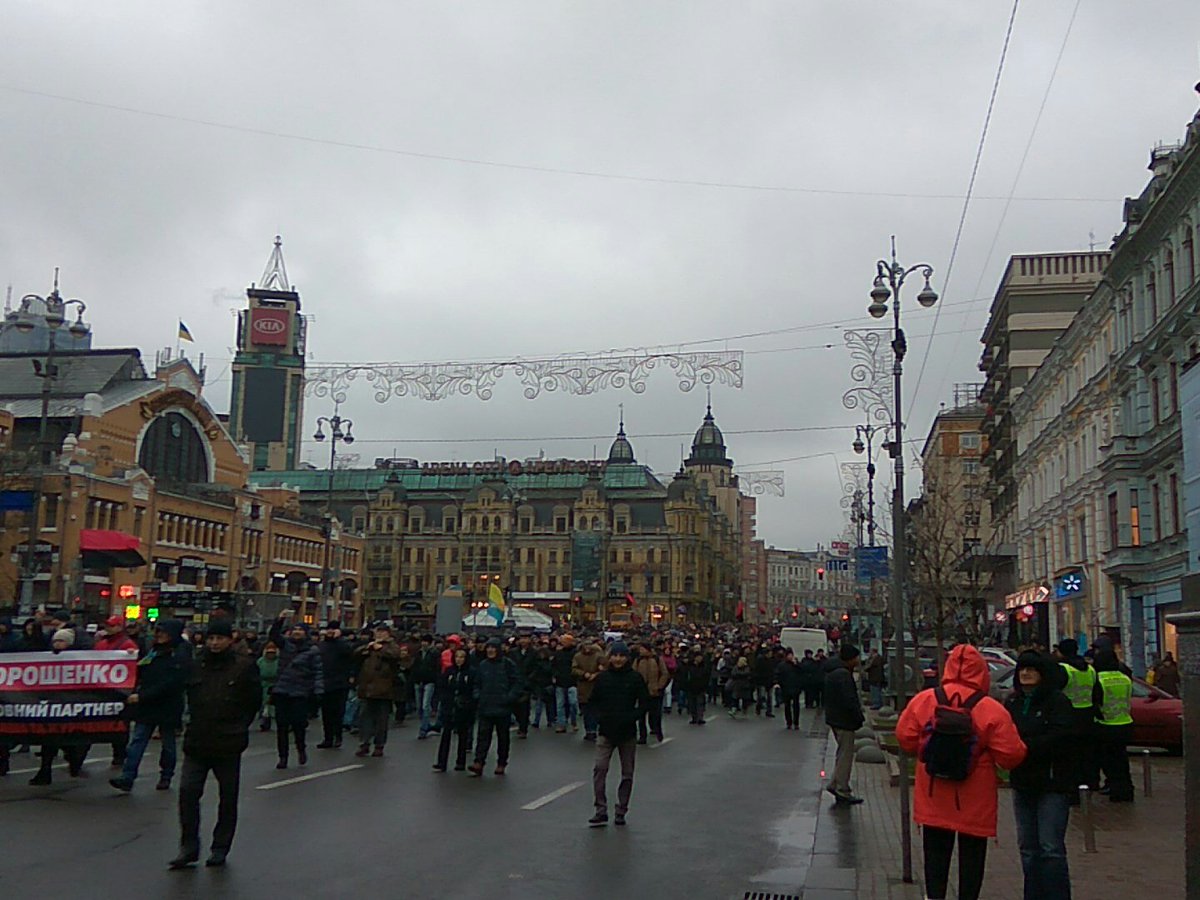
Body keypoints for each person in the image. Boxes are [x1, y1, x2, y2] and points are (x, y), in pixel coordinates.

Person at [896, 645, 1027, 900]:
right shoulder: (990, 708)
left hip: (933, 794)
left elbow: (905, 738)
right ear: (981, 671)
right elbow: (1012, 755)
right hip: (975, 799)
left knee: (935, 856)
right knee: (972, 859)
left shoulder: (926, 699)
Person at [171, 619, 261, 869]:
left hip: (228, 742)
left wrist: (239, 726)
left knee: (227, 798)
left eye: (219, 638)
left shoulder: (243, 666)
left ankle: (220, 847)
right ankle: (188, 847)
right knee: (188, 794)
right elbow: (185, 693)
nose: (214, 643)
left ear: (229, 639)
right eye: (211, 638)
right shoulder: (197, 664)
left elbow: (254, 701)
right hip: (197, 740)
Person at [1004, 651, 1075, 900]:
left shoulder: (1057, 702)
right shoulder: (1012, 702)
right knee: (1028, 848)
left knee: (1050, 848)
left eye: (1031, 669)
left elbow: (1062, 737)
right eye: (1022, 669)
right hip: (1022, 782)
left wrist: (1024, 746)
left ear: (1042, 674)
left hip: (1052, 784)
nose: (1025, 673)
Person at [110, 620, 188, 793]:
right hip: (147, 705)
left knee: (168, 744)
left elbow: (171, 682)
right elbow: (142, 669)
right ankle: (128, 777)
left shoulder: (180, 653)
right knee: (137, 740)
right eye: (158, 632)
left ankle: (166, 775)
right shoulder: (154, 650)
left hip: (167, 705)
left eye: (163, 632)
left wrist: (143, 695)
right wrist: (130, 659)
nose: (159, 635)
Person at [588, 642, 648, 827]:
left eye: (622, 656)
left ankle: (621, 809)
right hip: (606, 731)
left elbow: (645, 703)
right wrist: (599, 718)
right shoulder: (603, 678)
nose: (618, 659)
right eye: (615, 655)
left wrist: (632, 717)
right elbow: (593, 702)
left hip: (627, 732)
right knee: (600, 769)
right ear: (610, 657)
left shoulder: (635, 678)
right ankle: (601, 809)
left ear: (627, 658)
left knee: (627, 774)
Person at [29, 629, 91, 786]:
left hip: (69, 706)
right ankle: (45, 771)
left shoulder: (78, 659)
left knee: (64, 739)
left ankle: (73, 760)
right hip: (51, 706)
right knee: (49, 741)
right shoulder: (48, 658)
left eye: (61, 641)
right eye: (55, 641)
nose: (57, 644)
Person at [1053, 638, 1101, 802]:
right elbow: (1097, 694)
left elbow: (1055, 692)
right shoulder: (1090, 669)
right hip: (1087, 716)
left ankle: (1073, 792)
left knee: (1070, 757)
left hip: (1069, 717)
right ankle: (1088, 787)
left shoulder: (1063, 669)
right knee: (1087, 756)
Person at [468, 638, 522, 776]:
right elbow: (476, 683)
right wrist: (477, 695)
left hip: (502, 707)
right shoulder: (483, 665)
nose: (490, 650)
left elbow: (517, 683)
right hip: (486, 706)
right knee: (482, 736)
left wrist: (509, 697)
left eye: (493, 648)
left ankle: (501, 763)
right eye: (488, 648)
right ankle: (479, 762)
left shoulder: (508, 664)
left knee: (503, 738)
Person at [824, 645, 865, 802]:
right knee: (845, 755)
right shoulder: (843, 675)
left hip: (835, 718)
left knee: (842, 753)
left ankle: (835, 783)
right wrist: (858, 717)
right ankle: (842, 789)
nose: (858, 660)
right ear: (850, 658)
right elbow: (849, 700)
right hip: (844, 720)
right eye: (856, 657)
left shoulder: (834, 671)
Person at [353, 624, 403, 757]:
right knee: (365, 719)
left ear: (388, 634)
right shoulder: (369, 646)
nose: (379, 635)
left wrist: (380, 648)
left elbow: (395, 655)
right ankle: (364, 743)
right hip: (367, 689)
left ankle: (379, 745)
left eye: (382, 633)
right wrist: (366, 647)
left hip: (384, 690)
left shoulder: (392, 646)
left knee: (381, 720)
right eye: (377, 632)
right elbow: (355, 653)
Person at [1093, 647, 1134, 802]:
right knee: (1122, 760)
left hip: (1106, 724)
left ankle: (1115, 790)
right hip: (1125, 723)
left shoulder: (1099, 679)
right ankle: (1126, 790)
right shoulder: (1125, 678)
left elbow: (1096, 703)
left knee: (1109, 762)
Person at [433, 647, 479, 771]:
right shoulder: (449, 671)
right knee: (446, 734)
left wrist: (469, 703)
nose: (459, 659)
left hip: (464, 708)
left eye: (462, 657)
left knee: (462, 735)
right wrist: (445, 700)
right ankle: (441, 762)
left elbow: (473, 689)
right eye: (457, 657)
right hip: (449, 707)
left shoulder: (471, 672)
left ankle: (460, 761)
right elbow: (442, 686)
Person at [316, 622, 355, 750]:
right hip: (325, 683)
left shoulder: (343, 644)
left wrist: (338, 639)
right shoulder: (322, 645)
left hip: (340, 684)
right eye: (329, 630)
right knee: (326, 713)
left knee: (338, 712)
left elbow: (348, 653)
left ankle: (338, 737)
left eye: (333, 630)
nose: (330, 632)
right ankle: (327, 738)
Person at [571, 636, 607, 742]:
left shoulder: (598, 656)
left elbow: (605, 668)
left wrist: (596, 674)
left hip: (595, 685)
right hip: (583, 686)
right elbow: (574, 669)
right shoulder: (577, 656)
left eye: (589, 645)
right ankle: (588, 730)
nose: (587, 647)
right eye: (586, 645)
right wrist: (584, 674)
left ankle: (593, 730)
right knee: (586, 710)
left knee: (595, 709)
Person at [632, 643, 669, 743]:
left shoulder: (657, 659)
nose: (641, 651)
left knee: (656, 714)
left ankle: (657, 731)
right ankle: (642, 736)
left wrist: (659, 686)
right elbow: (633, 674)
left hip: (654, 692)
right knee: (641, 716)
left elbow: (664, 673)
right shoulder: (638, 660)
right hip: (642, 692)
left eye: (643, 649)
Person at [411, 633, 440, 739]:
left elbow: (437, 668)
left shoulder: (434, 653)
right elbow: (414, 666)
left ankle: (423, 729)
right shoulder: (418, 653)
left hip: (429, 682)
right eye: (423, 641)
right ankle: (426, 724)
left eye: (426, 642)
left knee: (425, 706)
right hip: (418, 681)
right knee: (420, 707)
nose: (424, 644)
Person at [677, 647, 711, 724]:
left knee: (700, 703)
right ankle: (694, 717)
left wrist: (705, 685)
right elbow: (684, 674)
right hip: (691, 687)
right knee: (692, 703)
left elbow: (706, 676)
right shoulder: (689, 666)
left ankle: (700, 717)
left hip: (701, 687)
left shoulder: (704, 666)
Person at [552, 634, 579, 733]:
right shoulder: (558, 654)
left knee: (573, 703)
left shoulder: (575, 653)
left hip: (572, 682)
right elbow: (553, 666)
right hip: (560, 682)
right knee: (560, 705)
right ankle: (561, 724)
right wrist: (555, 675)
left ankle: (573, 721)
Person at [775, 649, 804, 731]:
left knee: (796, 706)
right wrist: (777, 683)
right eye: (788, 655)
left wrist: (796, 665)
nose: (790, 657)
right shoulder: (782, 665)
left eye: (791, 655)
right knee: (787, 706)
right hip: (786, 688)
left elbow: (802, 672)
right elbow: (778, 675)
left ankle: (796, 722)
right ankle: (789, 722)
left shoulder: (796, 664)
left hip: (795, 688)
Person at [256, 643, 280, 731]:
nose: (271, 654)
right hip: (263, 685)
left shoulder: (279, 661)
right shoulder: (260, 661)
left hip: (275, 684)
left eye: (273, 652)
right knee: (264, 705)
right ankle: (264, 722)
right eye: (269, 652)